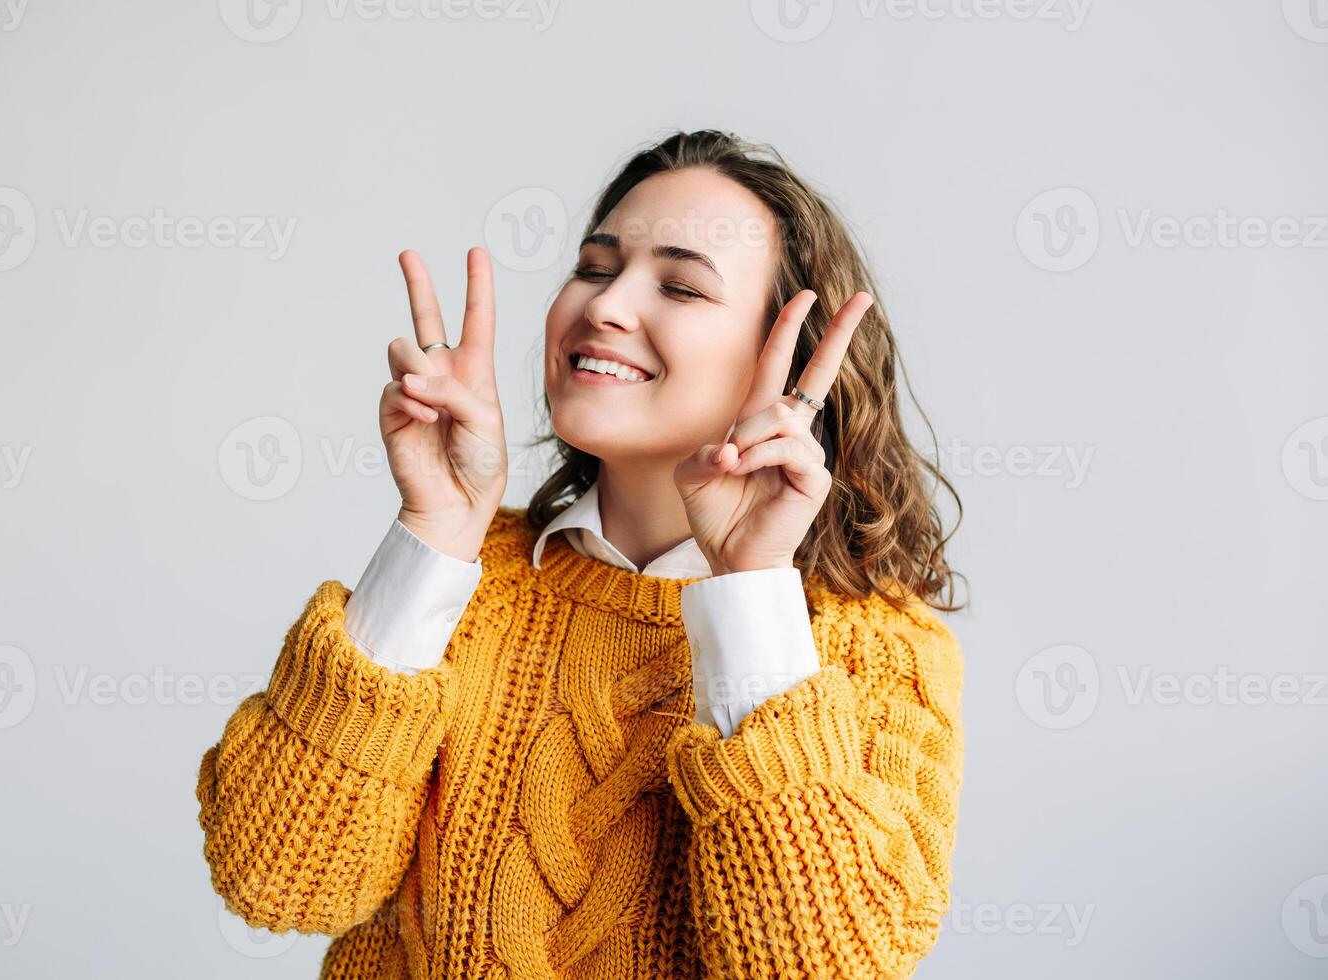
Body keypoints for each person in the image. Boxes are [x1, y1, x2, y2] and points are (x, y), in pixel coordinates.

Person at [196, 129, 966, 979]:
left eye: (679, 284)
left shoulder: (879, 647)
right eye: (596, 267)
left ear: (786, 367)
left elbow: (822, 966)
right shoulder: (460, 574)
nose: (605, 304)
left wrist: (750, 593)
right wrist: (435, 532)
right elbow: (274, 880)